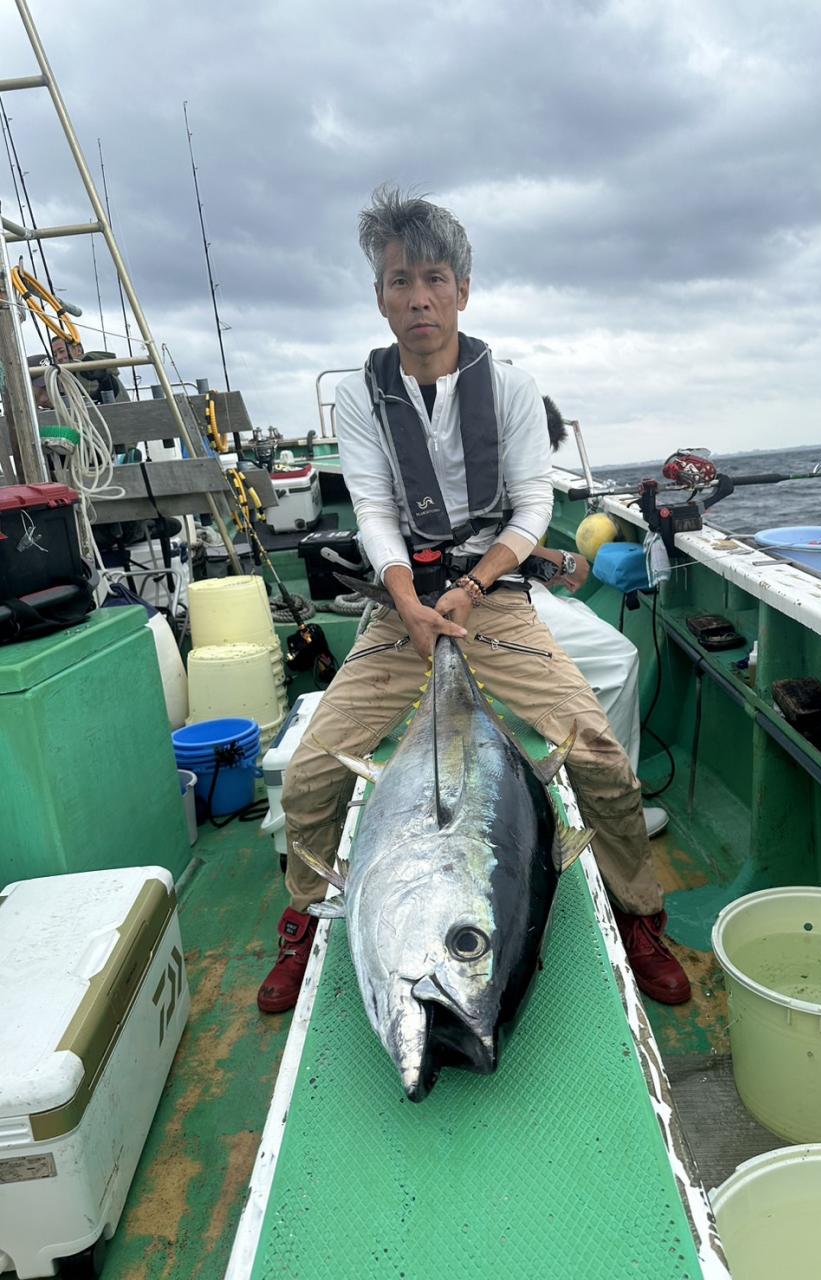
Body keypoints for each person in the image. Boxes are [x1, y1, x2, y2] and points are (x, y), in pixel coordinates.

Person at [257, 187, 690, 1015]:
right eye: (399, 281)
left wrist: (470, 587)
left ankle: (639, 912)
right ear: (379, 297)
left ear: (462, 289)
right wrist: (407, 601)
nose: (418, 298)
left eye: (434, 279)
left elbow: (531, 511)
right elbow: (374, 512)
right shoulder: (361, 395)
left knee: (600, 755)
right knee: (311, 773)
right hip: (401, 609)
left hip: (492, 600)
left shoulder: (513, 389)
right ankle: (309, 914)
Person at [527, 397, 666, 833]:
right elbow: (489, 548)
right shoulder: (491, 469)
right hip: (491, 603)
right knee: (619, 661)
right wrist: (566, 562)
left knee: (576, 609)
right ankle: (612, 813)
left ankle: (575, 780)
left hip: (505, 589)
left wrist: (545, 568)